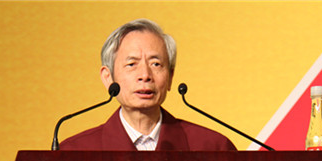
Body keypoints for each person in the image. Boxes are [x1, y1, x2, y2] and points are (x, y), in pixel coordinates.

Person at [59, 19, 236, 151]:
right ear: (108, 77)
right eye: (131, 64)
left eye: (156, 64)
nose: (145, 75)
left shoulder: (212, 147)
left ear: (170, 77)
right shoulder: (75, 151)